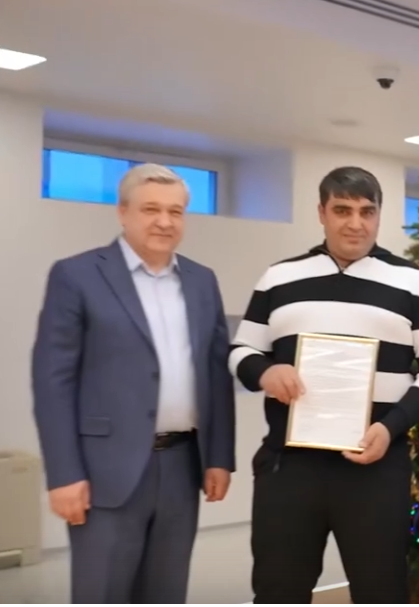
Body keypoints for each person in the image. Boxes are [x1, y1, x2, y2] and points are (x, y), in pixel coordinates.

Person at [229, 166, 419, 604]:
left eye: (366, 211)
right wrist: (264, 372)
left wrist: (391, 426)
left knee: (380, 592)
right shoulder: (279, 277)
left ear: (378, 215)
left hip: (377, 463)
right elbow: (241, 351)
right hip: (289, 467)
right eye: (342, 210)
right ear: (321, 212)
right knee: (278, 591)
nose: (356, 223)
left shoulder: (413, 281)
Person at [31, 163, 236, 603]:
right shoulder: (77, 275)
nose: (164, 221)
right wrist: (64, 474)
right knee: (102, 593)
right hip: (104, 471)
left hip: (182, 465)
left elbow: (215, 373)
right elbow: (53, 382)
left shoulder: (202, 281)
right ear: (123, 212)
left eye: (175, 211)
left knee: (166, 593)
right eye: (150, 209)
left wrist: (219, 457)